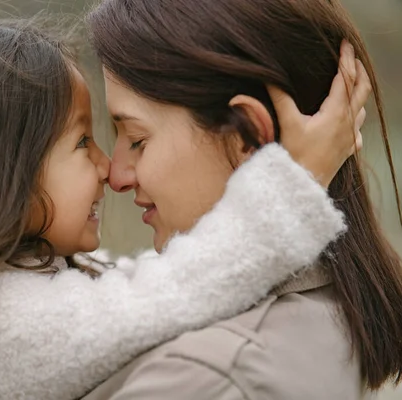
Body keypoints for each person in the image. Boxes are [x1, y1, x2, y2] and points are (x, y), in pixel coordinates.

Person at [0, 16, 365, 400]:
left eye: (130, 139)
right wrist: (297, 181)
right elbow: (172, 292)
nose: (108, 169)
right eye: (81, 143)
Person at [83, 0, 402, 398]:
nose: (116, 176)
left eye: (137, 140)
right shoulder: (324, 313)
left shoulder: (207, 376)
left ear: (246, 136)